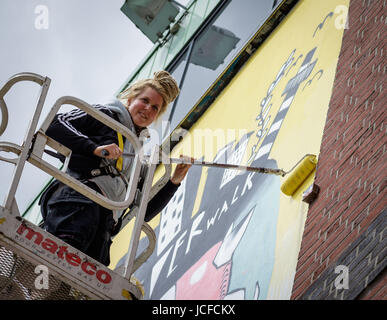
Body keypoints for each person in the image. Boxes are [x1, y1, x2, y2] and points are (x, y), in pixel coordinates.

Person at [39, 71, 192, 267]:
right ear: (129, 99)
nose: (147, 109)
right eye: (144, 100)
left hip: (103, 227)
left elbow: (143, 211)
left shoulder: (137, 158)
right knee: (56, 266)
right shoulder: (107, 115)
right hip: (77, 203)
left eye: (155, 107)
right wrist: (94, 148)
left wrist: (174, 182)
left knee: (76, 287)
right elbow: (55, 123)